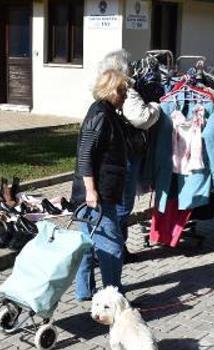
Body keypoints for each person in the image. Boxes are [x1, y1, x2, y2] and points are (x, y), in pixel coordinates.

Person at [95, 50, 160, 263]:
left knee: (117, 204)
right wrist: (156, 107)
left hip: (111, 155)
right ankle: (112, 248)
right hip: (126, 154)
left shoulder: (101, 89)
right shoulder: (125, 90)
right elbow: (141, 119)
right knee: (123, 205)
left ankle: (115, 247)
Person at [71, 69, 130, 301]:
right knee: (113, 247)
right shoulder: (101, 114)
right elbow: (85, 156)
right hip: (97, 195)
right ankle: (113, 297)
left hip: (97, 193)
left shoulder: (107, 112)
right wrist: (91, 191)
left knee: (87, 245)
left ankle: (84, 292)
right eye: (123, 91)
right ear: (112, 89)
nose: (125, 95)